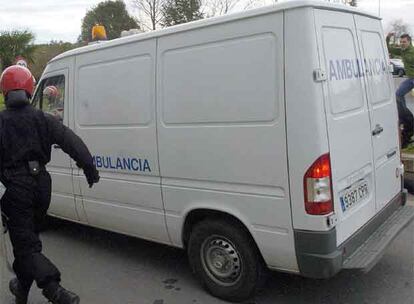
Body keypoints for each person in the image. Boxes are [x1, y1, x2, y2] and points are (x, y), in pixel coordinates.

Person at [0, 65, 100, 304]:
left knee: (26, 247)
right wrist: (89, 168)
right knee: (28, 240)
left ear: (4, 91)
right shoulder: (43, 118)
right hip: (42, 186)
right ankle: (20, 288)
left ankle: (55, 290)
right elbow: (70, 140)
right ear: (29, 89)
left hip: (16, 188)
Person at [387, 33, 414, 108]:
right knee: (398, 94)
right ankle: (406, 117)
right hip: (410, 79)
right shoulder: (402, 51)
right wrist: (388, 38)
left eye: (404, 42)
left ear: (409, 42)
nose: (402, 44)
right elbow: (388, 48)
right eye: (401, 42)